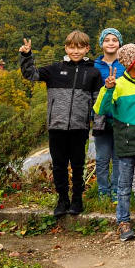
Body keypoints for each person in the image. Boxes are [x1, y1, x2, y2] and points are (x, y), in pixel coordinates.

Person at [19, 31, 102, 216]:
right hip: (56, 126)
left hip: (80, 127)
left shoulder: (93, 73)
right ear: (66, 47)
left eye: (80, 47)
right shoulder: (54, 69)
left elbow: (97, 102)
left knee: (79, 165)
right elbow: (30, 75)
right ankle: (62, 200)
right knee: (59, 165)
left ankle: (77, 200)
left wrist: (97, 125)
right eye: (72, 47)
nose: (75, 51)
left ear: (87, 48)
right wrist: (26, 55)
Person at [94, 44, 135, 240]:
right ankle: (123, 221)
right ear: (130, 62)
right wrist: (108, 89)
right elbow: (101, 108)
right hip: (125, 142)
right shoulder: (117, 85)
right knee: (123, 185)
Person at [93, 28, 124, 201]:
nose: (111, 43)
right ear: (101, 44)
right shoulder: (94, 66)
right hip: (101, 119)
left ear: (119, 43)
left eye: (114, 40)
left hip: (121, 117)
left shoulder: (125, 65)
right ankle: (103, 191)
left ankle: (117, 191)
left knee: (119, 157)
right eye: (107, 40)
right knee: (102, 157)